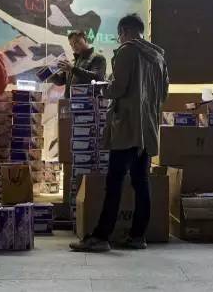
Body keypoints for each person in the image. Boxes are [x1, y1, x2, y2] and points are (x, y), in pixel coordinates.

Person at [70, 14, 169, 253]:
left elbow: (118, 88)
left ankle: (101, 237)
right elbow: (164, 94)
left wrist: (101, 89)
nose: (120, 39)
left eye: (119, 35)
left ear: (124, 31)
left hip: (126, 126)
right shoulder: (158, 57)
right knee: (141, 181)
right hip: (147, 128)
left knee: (114, 182)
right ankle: (138, 236)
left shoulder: (127, 51)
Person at [49, 30, 106, 97]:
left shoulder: (98, 58)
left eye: (76, 42)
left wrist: (73, 69)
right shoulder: (73, 62)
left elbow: (97, 79)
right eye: (71, 44)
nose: (74, 46)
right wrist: (50, 74)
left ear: (85, 40)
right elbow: (61, 81)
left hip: (87, 101)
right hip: (70, 101)